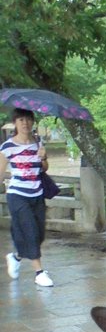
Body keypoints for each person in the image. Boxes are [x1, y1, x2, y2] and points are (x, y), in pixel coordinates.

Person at [2, 108, 54, 287]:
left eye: (28, 120)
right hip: (17, 195)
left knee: (39, 235)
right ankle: (39, 273)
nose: (25, 123)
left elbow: (44, 168)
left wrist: (44, 157)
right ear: (15, 123)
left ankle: (16, 257)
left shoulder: (38, 143)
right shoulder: (8, 146)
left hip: (37, 194)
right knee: (30, 230)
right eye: (21, 120)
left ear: (32, 122)